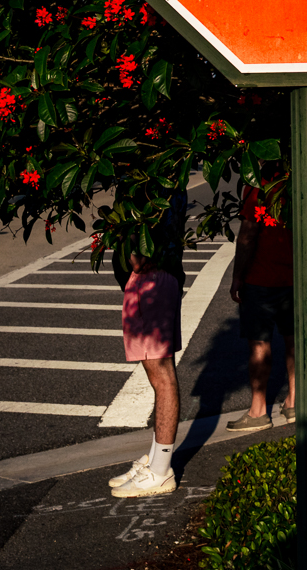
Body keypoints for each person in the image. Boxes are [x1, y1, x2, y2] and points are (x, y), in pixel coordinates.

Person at [107, 194, 188, 497]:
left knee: (161, 374)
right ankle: (155, 459)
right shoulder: (158, 177)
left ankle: (161, 470)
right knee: (159, 375)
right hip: (151, 276)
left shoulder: (153, 182)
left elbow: (142, 241)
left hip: (151, 276)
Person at [227, 169, 294, 431]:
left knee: (259, 343)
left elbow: (248, 234)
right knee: (293, 340)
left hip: (261, 276)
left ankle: (258, 411)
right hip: (295, 276)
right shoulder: (299, 181)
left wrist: (237, 277)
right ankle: (293, 401)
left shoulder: (260, 185)